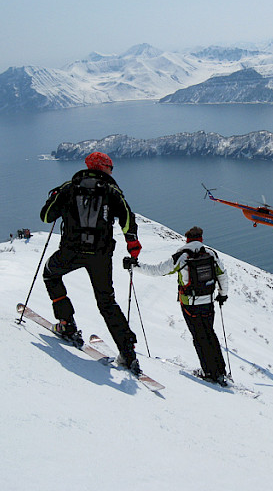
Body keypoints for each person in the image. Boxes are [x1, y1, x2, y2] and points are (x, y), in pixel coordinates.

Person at [39, 151, 143, 374]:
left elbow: (46, 216)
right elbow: (127, 218)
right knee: (106, 301)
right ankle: (127, 352)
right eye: (111, 167)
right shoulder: (111, 191)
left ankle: (66, 324)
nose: (112, 171)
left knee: (50, 274)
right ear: (103, 167)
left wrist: (54, 196)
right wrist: (132, 245)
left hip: (71, 251)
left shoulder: (69, 187)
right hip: (100, 255)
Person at [132, 226, 229, 386]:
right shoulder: (211, 254)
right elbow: (222, 275)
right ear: (201, 239)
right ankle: (220, 370)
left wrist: (135, 266)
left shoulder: (181, 257)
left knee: (199, 336)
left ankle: (209, 373)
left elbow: (157, 271)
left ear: (187, 239)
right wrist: (223, 294)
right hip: (208, 301)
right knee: (210, 333)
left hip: (189, 304)